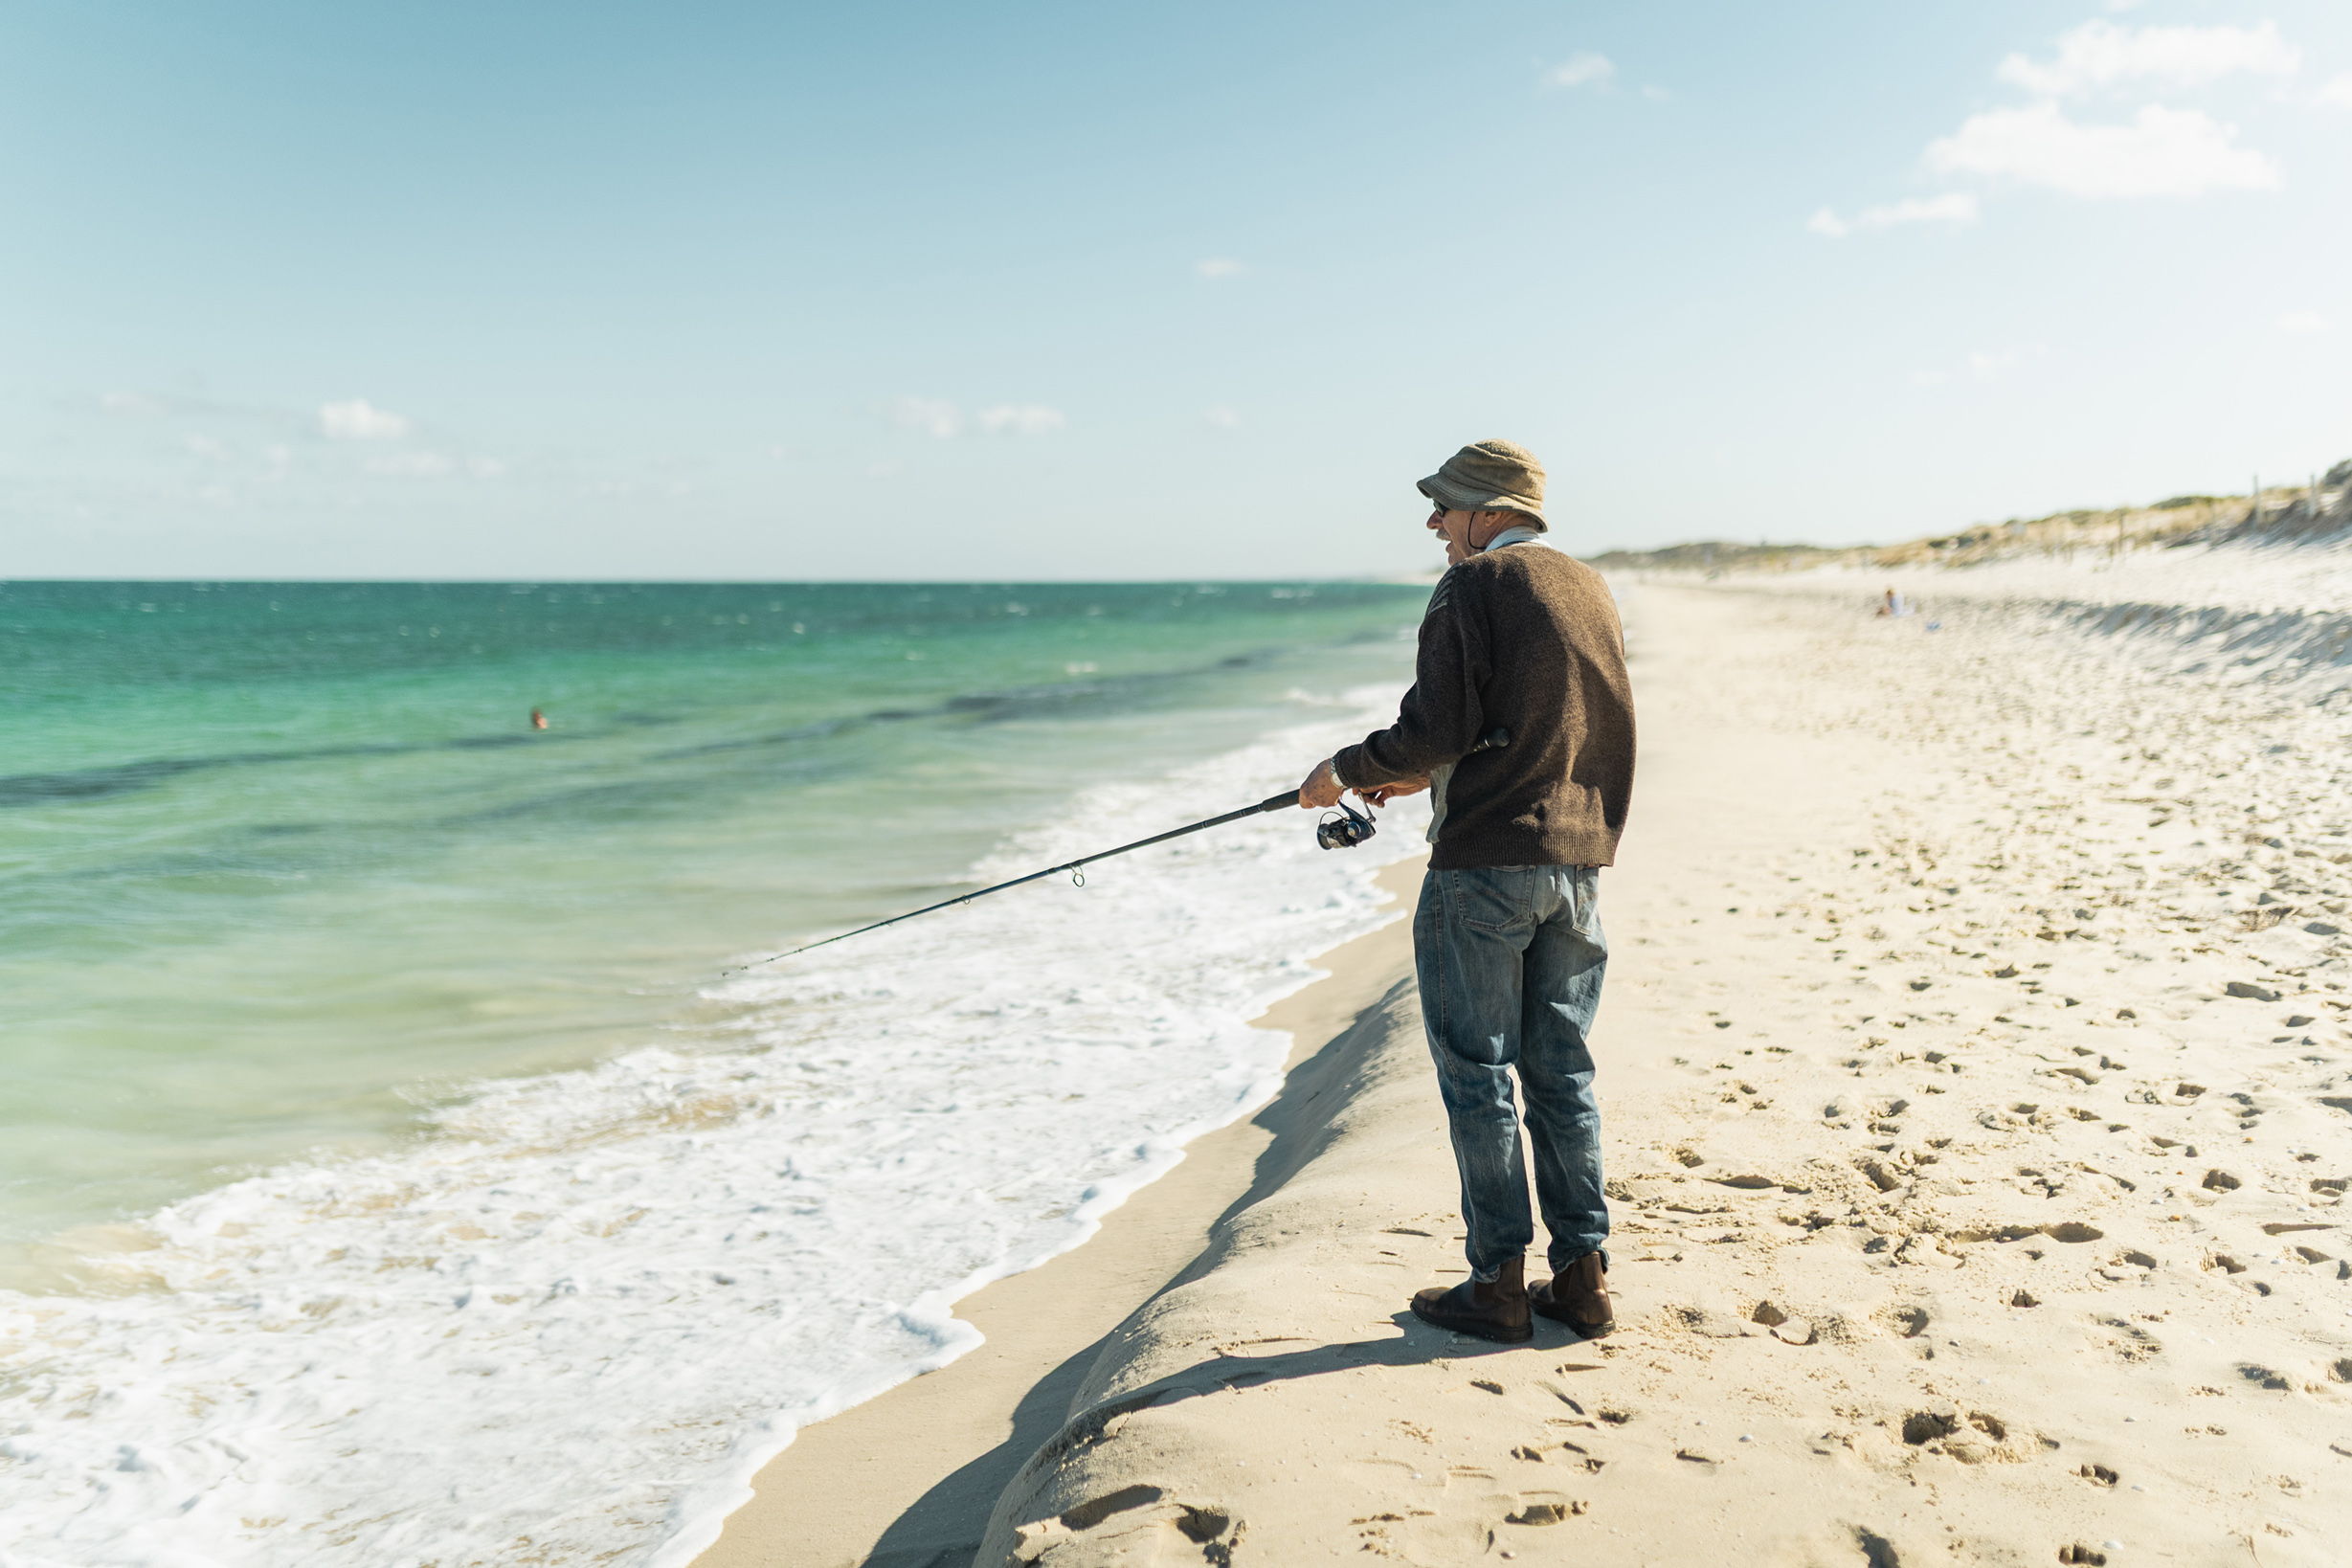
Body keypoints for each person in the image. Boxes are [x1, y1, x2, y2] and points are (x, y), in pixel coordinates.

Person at [1296, 438, 1636, 1344]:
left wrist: (1344, 768)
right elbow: (1548, 723)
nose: (1435, 524)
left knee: (1477, 1075)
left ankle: (1496, 1286)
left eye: (1444, 506)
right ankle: (1583, 1278)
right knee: (1561, 1073)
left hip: (1483, 866)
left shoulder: (1473, 586)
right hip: (1576, 865)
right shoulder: (1588, 587)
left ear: (1486, 511)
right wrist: (1427, 770)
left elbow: (1434, 722)